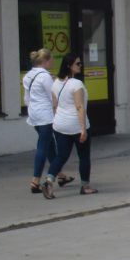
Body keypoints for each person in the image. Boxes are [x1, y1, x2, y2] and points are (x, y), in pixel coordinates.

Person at [42, 53, 97, 198]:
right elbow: (79, 107)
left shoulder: (55, 83)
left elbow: (54, 105)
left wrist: (57, 121)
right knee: (84, 156)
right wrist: (83, 129)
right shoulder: (76, 84)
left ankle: (49, 179)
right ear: (69, 66)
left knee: (61, 155)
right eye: (77, 64)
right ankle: (85, 186)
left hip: (60, 125)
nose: (80, 66)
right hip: (76, 125)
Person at [21, 49, 73, 194]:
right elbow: (53, 96)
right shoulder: (45, 77)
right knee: (43, 146)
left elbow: (27, 98)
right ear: (45, 61)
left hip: (34, 114)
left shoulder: (28, 76)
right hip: (45, 115)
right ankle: (35, 180)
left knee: (49, 144)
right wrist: (60, 110)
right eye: (51, 60)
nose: (53, 62)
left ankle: (60, 175)